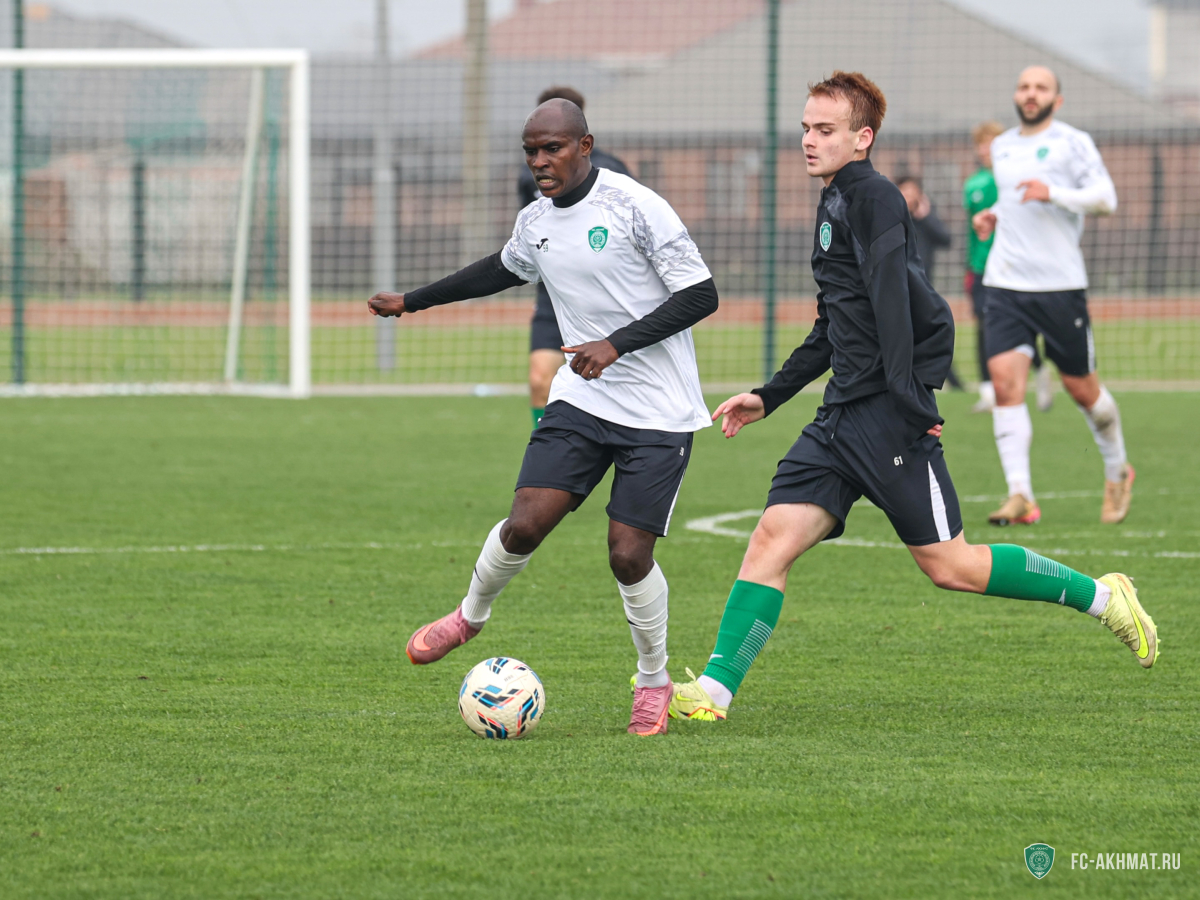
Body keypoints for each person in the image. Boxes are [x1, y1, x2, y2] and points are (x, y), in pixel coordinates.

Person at [660, 71, 1156, 725]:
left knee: (951, 566)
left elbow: (900, 306)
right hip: (841, 414)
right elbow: (835, 322)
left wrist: (913, 407)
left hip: (887, 415)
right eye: (806, 128)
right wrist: (768, 395)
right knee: (771, 539)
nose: (809, 140)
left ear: (862, 137)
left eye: (826, 130)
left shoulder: (874, 198)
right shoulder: (835, 199)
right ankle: (715, 692)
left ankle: (1104, 597)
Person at [369, 99, 719, 735]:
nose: (539, 161)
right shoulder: (534, 220)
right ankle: (469, 616)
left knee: (627, 554)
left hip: (659, 411)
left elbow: (701, 294)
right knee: (525, 523)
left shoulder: (635, 206)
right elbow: (497, 270)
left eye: (551, 148)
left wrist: (616, 344)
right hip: (582, 399)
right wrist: (413, 301)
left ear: (584, 145)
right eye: (531, 151)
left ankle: (653, 678)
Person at [972, 66, 1131, 526]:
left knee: (1083, 391)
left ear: (1056, 100)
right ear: (1016, 95)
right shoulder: (1002, 146)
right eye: (1024, 86)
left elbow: (1106, 199)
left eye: (1041, 87)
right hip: (1004, 283)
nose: (1031, 93)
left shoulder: (1072, 142)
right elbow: (1014, 200)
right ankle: (1020, 493)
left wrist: (1054, 192)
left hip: (1059, 286)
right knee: (1005, 385)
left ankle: (1117, 469)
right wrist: (992, 215)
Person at [519, 86, 633, 430]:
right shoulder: (528, 175)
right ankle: (547, 448)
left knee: (608, 385)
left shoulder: (613, 170)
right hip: (553, 295)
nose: (541, 159)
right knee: (540, 378)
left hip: (604, 295)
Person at [964, 121, 1053, 414]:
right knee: (983, 326)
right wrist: (969, 267)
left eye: (990, 142)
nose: (985, 149)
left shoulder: (1015, 180)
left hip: (1014, 265)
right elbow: (972, 232)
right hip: (982, 269)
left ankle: (1039, 369)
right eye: (981, 144)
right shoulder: (972, 185)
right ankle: (988, 391)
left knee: (1022, 325)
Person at [895, 175, 963, 391]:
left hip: (922, 287)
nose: (908, 196)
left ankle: (949, 381)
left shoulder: (925, 219)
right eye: (904, 191)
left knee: (929, 334)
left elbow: (946, 239)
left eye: (912, 191)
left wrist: (925, 217)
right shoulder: (891, 217)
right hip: (894, 287)